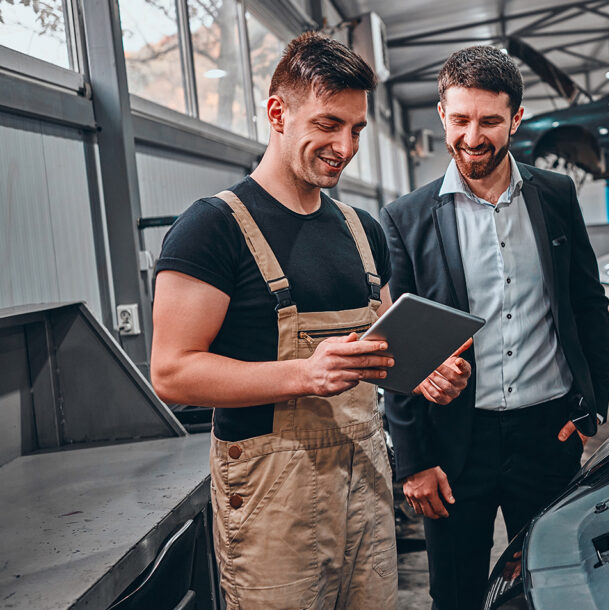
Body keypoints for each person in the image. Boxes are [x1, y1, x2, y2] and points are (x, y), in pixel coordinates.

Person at [149, 32, 470, 610]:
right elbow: (172, 374)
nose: (343, 146)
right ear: (278, 112)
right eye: (327, 124)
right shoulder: (212, 228)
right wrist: (304, 374)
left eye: (355, 130)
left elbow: (381, 346)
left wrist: (422, 373)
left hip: (368, 483)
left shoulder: (362, 229)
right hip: (274, 502)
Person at [381, 46, 609, 609]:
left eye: (489, 121)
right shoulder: (406, 219)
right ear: (442, 115)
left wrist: (589, 408)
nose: (473, 136)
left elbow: (587, 303)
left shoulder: (555, 196)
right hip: (455, 445)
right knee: (456, 594)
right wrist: (413, 461)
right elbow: (398, 348)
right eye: (460, 120)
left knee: (555, 586)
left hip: (547, 433)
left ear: (516, 118)